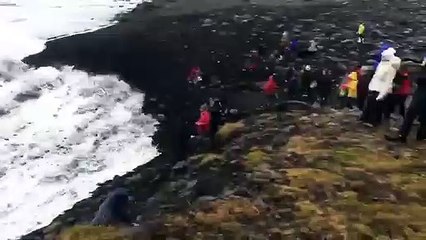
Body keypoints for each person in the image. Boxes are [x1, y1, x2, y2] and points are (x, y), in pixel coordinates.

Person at [385, 60, 426, 143]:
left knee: (419, 115)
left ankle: (420, 136)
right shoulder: (420, 69)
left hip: (421, 92)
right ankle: (403, 136)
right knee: (411, 113)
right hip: (420, 92)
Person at [361, 48, 401, 126]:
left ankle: (373, 120)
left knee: (375, 105)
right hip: (377, 86)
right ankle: (369, 119)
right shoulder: (383, 64)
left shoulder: (389, 65)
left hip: (381, 87)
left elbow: (383, 77)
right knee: (374, 104)